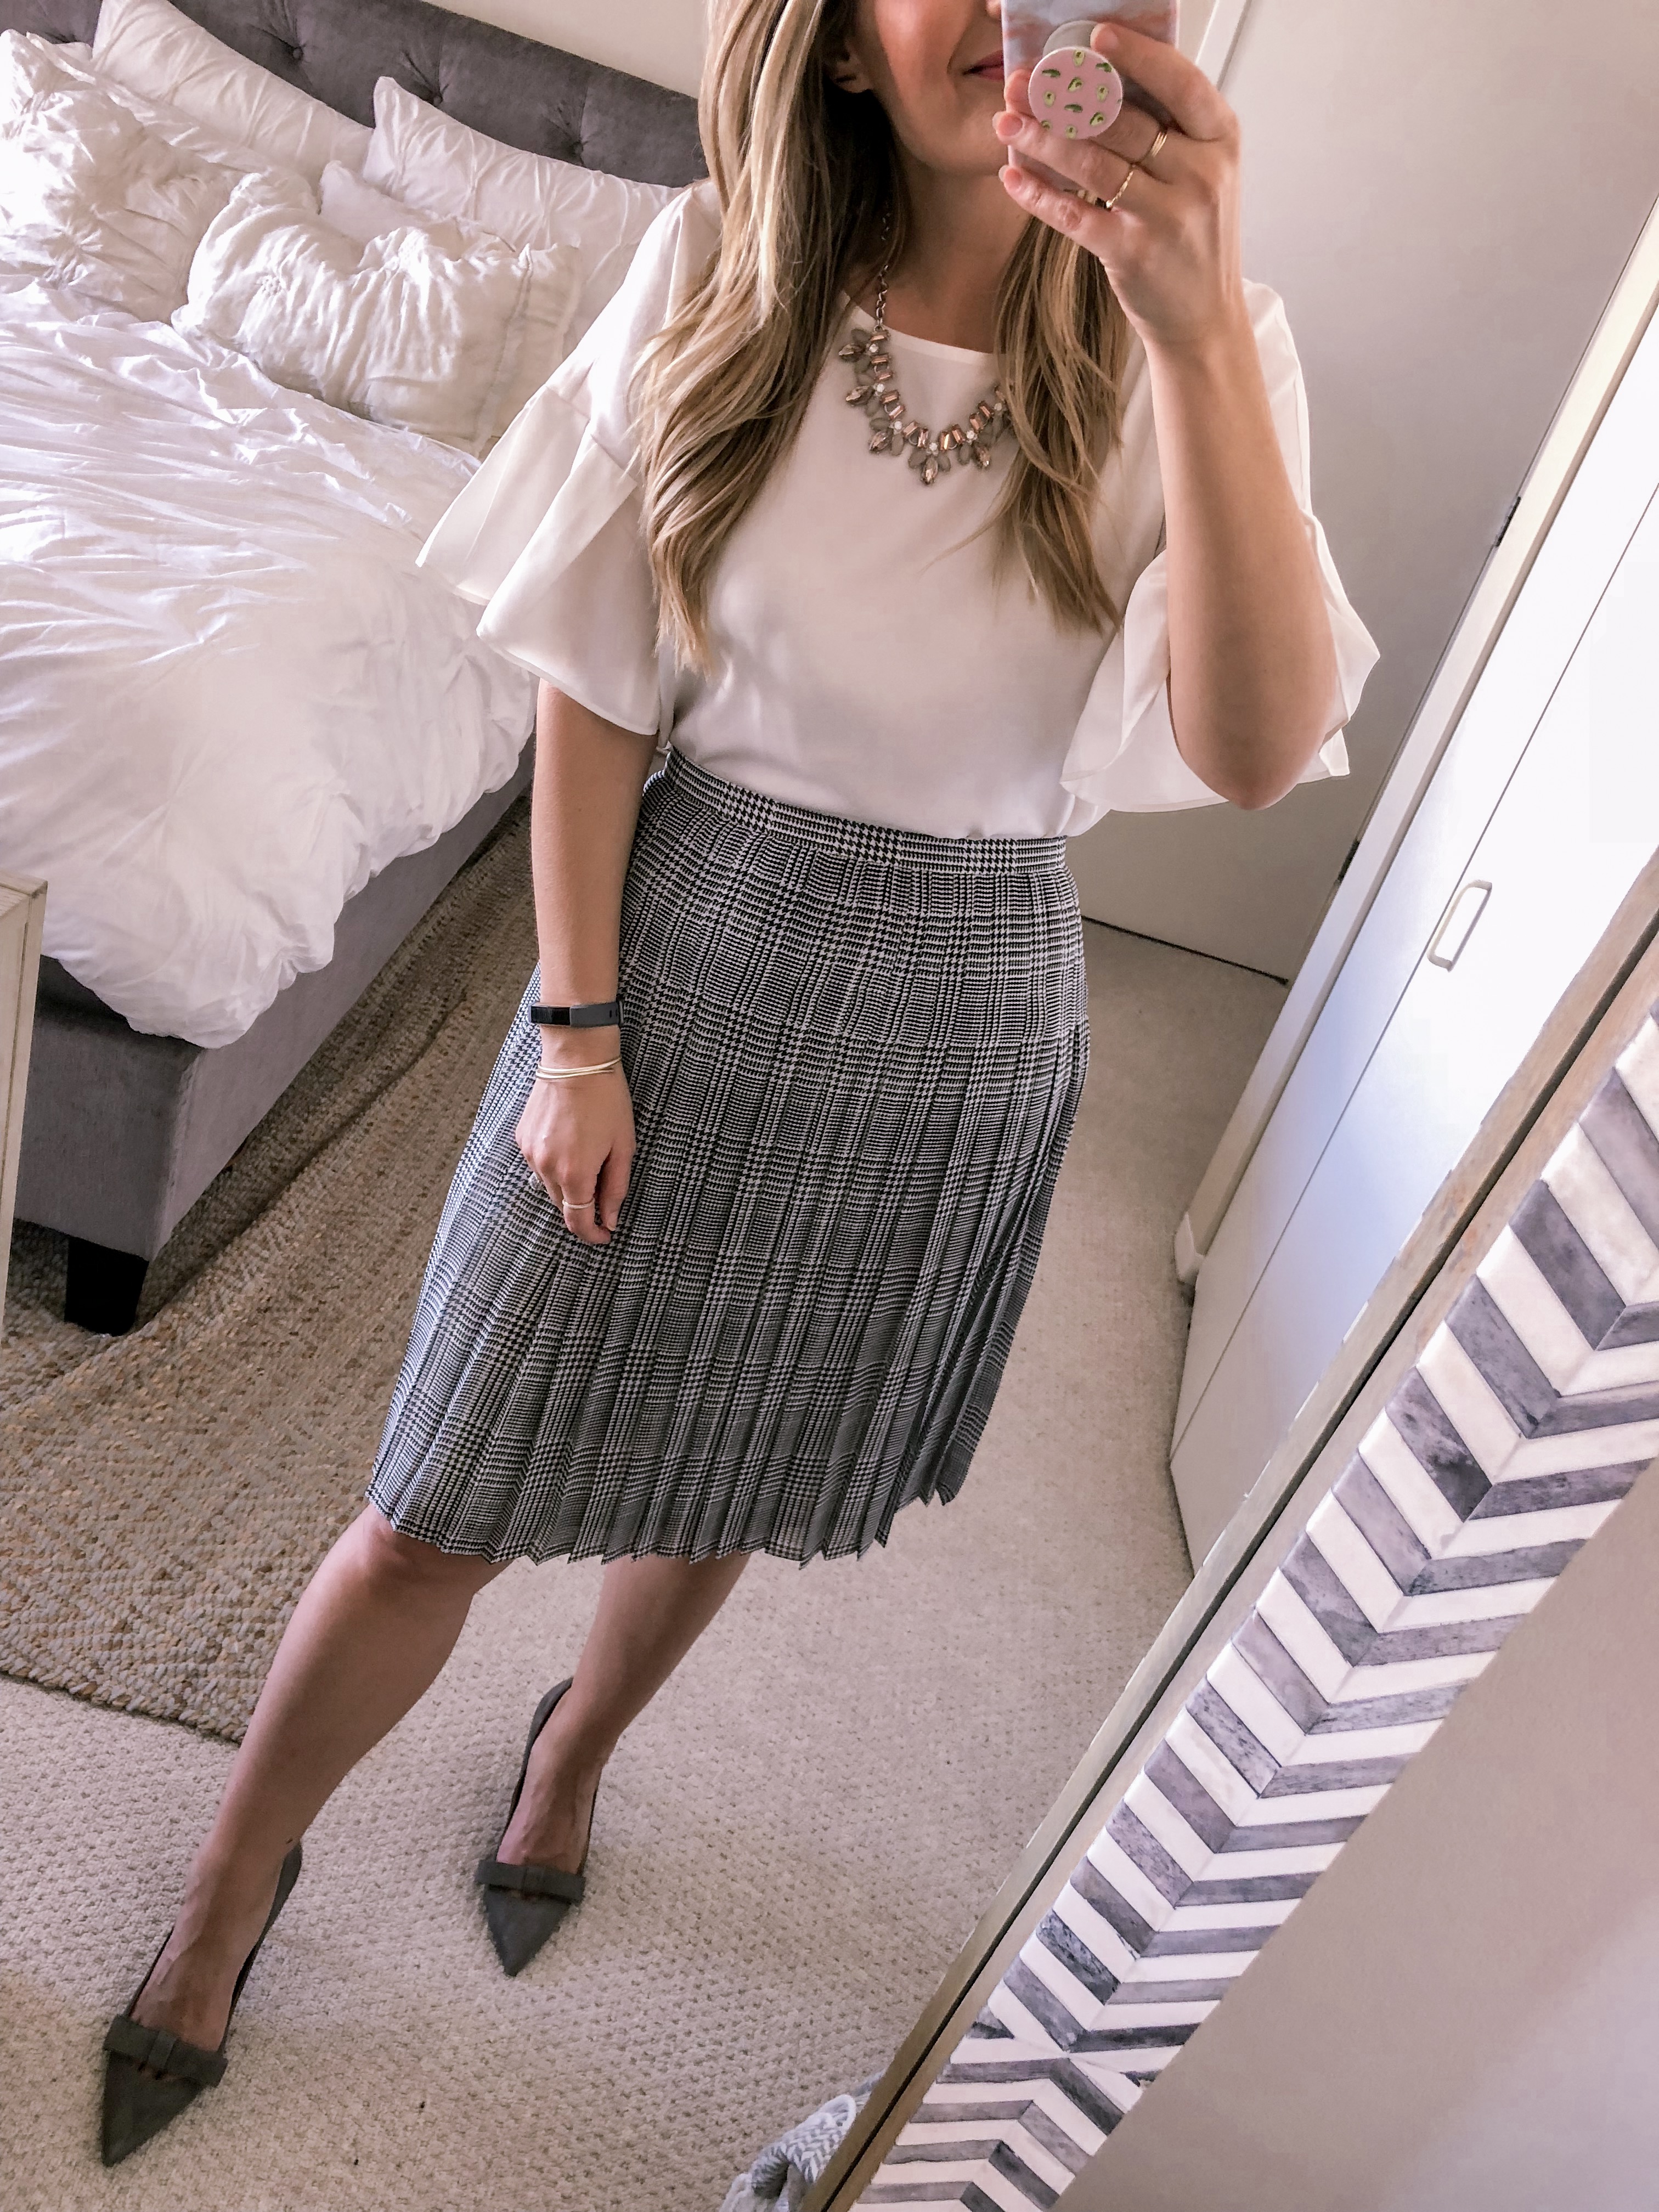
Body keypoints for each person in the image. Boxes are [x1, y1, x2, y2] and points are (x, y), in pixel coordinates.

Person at [99, 0, 1377, 2164]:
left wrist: (1203, 343)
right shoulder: (717, 270)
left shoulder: (1204, 342)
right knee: (433, 1498)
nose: (1008, 11)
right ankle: (231, 1883)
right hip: (684, 952)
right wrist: (575, 1033)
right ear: (847, 47)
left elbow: (1254, 749)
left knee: (728, 1472)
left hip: (966, 1001)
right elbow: (596, 678)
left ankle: (575, 1749)